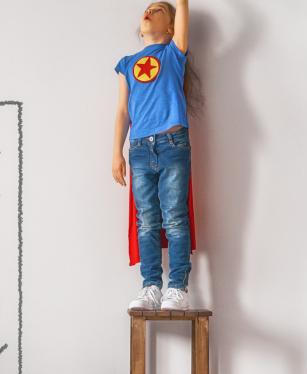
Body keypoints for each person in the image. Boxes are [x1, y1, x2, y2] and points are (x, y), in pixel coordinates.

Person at [111, 1, 203, 311]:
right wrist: (116, 153)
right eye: (147, 8)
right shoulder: (127, 63)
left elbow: (182, 10)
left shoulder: (173, 54)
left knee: (175, 216)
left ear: (170, 27)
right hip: (138, 148)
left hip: (172, 143)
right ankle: (151, 286)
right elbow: (123, 111)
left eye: (159, 10)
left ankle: (177, 288)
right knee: (147, 220)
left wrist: (180, 5)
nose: (149, 11)